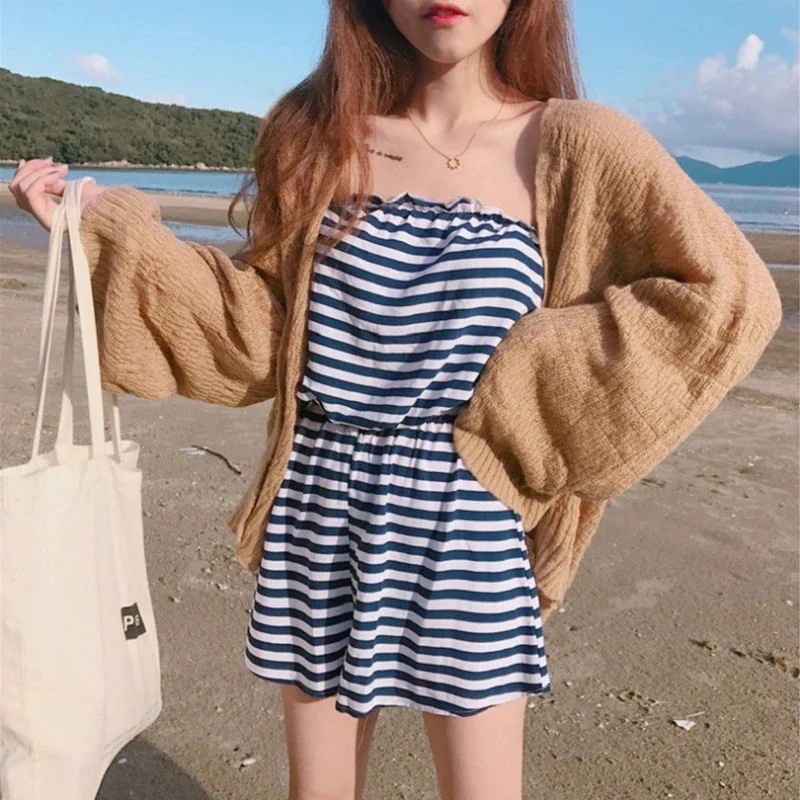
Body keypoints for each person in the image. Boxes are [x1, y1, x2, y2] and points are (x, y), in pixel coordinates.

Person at [8, 2, 782, 799]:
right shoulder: (317, 133)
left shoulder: (578, 143)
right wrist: (98, 231)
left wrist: (529, 399)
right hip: (319, 502)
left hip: (468, 514)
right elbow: (261, 327)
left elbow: (728, 295)